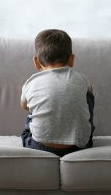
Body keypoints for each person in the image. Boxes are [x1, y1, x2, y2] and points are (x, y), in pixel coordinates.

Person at [20, 29, 95, 157]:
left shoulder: (31, 82)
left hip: (39, 146)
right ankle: (81, 132)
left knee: (33, 105)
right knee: (88, 95)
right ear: (71, 59)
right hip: (78, 146)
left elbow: (24, 106)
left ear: (36, 62)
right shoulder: (82, 79)